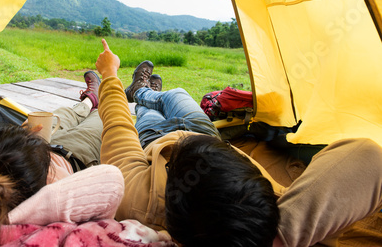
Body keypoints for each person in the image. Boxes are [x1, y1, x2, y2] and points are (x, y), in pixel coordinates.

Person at [95, 38, 382, 247]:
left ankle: (142, 92)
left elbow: (118, 126)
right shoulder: (266, 210)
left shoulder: (135, 198)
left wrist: (109, 74)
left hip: (155, 141)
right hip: (204, 135)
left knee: (144, 115)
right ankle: (146, 90)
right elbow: (370, 158)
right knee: (176, 94)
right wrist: (277, 236)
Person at [0, 71, 124, 240]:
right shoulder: (53, 190)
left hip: (37, 149)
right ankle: (103, 97)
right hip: (75, 152)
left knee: (65, 113)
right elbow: (111, 179)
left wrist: (24, 140)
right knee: (100, 117)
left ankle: (90, 98)